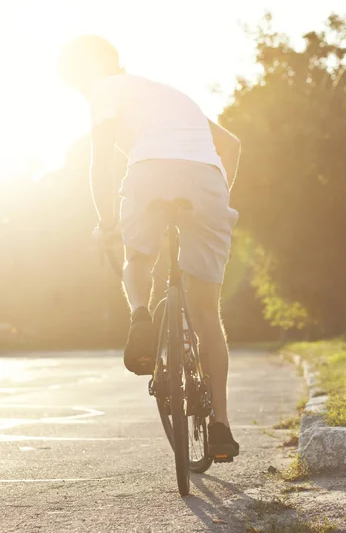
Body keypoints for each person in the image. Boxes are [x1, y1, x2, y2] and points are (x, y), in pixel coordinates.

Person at [58, 35, 241, 459]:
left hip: (150, 174)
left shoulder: (104, 90)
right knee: (207, 313)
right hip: (207, 179)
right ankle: (221, 427)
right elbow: (232, 145)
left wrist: (106, 224)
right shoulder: (173, 96)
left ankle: (141, 315)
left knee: (137, 257)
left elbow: (101, 160)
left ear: (87, 72)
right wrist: (216, 199)